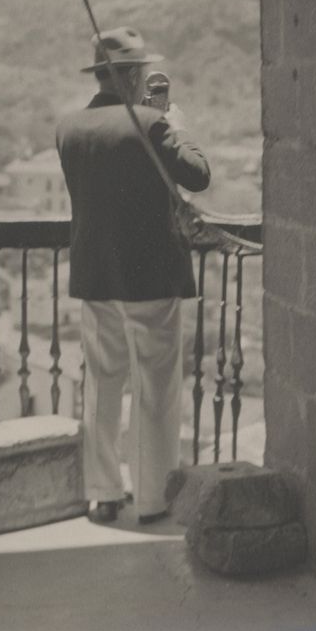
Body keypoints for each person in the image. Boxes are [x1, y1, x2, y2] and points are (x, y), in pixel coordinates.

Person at [56, 28, 211, 524]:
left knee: (102, 383)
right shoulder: (153, 125)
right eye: (141, 69)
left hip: (95, 274)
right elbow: (197, 174)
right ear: (132, 75)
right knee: (156, 388)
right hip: (150, 274)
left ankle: (102, 493)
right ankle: (152, 498)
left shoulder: (69, 128)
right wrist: (174, 123)